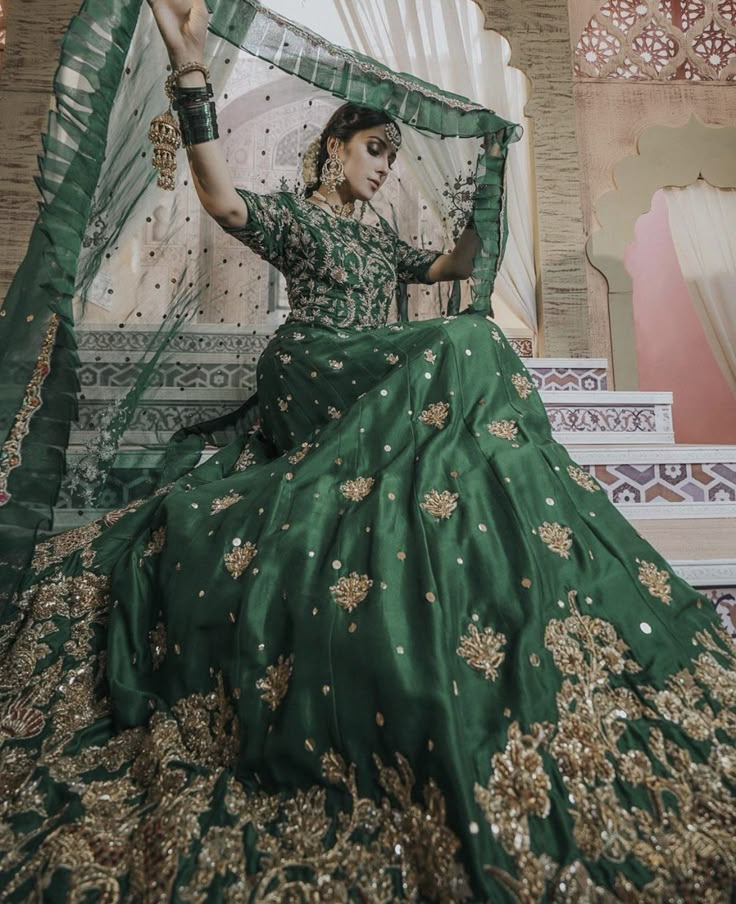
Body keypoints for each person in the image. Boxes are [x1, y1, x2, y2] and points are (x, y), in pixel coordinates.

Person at [0, 0, 734, 900]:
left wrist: (484, 192)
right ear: (334, 149)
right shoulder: (298, 220)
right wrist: (190, 74)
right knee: (466, 344)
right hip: (310, 362)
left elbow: (451, 268)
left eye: (393, 154)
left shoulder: (382, 235)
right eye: (376, 151)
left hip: (372, 374)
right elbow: (222, 200)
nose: (388, 168)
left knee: (469, 340)